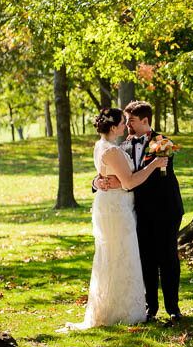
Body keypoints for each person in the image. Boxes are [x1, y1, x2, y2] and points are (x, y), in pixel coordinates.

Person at [64, 108, 168, 331]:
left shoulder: (103, 146)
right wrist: (153, 165)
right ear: (113, 127)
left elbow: (113, 178)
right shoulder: (112, 150)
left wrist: (99, 183)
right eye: (123, 123)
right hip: (116, 210)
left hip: (116, 206)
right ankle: (121, 311)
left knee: (115, 255)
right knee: (120, 255)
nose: (126, 126)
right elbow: (129, 182)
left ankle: (117, 308)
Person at [95, 101, 185, 324]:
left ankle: (173, 308)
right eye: (125, 121)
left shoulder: (162, 143)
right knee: (145, 260)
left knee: (168, 259)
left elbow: (155, 178)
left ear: (145, 121)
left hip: (165, 210)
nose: (127, 125)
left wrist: (124, 183)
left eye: (131, 121)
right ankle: (149, 308)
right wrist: (98, 182)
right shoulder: (121, 147)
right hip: (136, 212)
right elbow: (111, 170)